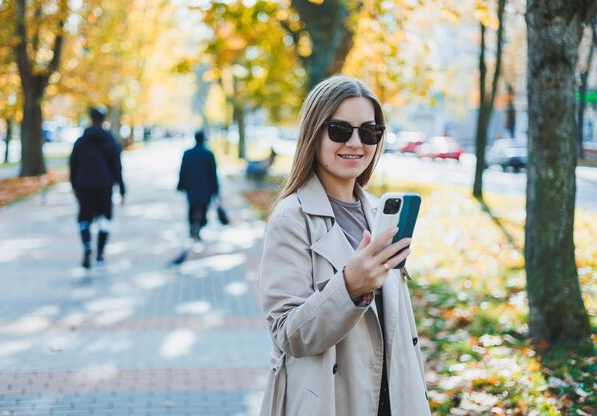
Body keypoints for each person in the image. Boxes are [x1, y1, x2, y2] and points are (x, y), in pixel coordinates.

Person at [258, 76, 431, 416]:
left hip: (394, 399)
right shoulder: (292, 218)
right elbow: (288, 335)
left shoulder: (379, 213)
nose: (356, 142)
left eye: (369, 132)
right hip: (331, 402)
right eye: (340, 130)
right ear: (314, 134)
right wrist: (350, 286)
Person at [70, 107, 125, 269]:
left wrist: (74, 184)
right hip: (105, 187)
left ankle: (87, 245)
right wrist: (122, 189)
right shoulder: (111, 141)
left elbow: (73, 165)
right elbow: (117, 168)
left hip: (84, 186)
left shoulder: (81, 141)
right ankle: (100, 253)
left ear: (91, 119)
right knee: (105, 219)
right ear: (104, 119)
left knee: (84, 219)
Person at [177, 130, 219, 240]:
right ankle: (199, 227)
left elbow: (183, 170)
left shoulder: (187, 153)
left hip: (191, 186)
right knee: (203, 207)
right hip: (205, 187)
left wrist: (180, 185)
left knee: (192, 206)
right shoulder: (209, 154)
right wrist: (215, 189)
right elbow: (213, 174)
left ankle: (192, 227)